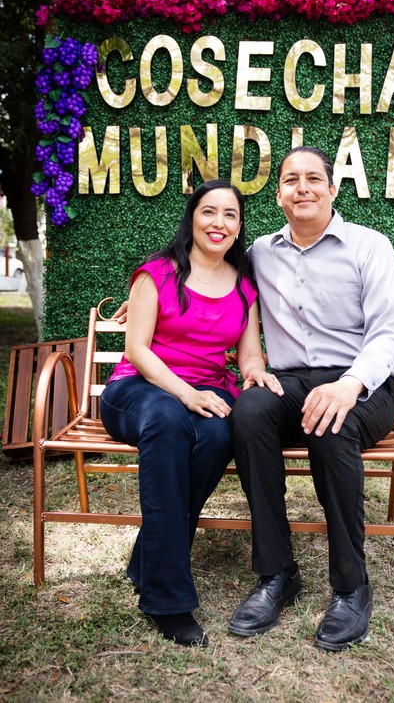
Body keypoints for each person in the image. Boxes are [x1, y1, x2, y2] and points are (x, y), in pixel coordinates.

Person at [227, 146, 394, 651]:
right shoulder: (260, 252)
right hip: (291, 382)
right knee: (249, 412)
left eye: (313, 179)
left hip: (364, 384)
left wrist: (349, 384)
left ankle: (351, 586)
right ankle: (277, 574)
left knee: (331, 424)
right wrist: (149, 294)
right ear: (279, 194)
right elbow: (206, 270)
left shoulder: (369, 245)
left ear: (332, 189)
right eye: (291, 180)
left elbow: (389, 330)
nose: (302, 187)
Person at [100, 179, 283, 648]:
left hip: (205, 392)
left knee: (219, 435)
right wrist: (185, 394)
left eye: (230, 214)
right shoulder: (157, 274)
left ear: (238, 227)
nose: (219, 222)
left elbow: (249, 353)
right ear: (192, 218)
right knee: (167, 420)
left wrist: (255, 372)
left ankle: (148, 560)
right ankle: (167, 600)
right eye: (209, 211)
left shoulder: (243, 284)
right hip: (138, 389)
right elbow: (138, 350)